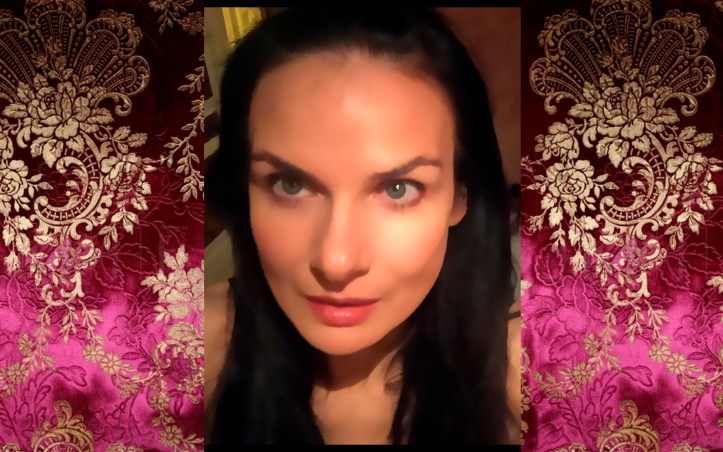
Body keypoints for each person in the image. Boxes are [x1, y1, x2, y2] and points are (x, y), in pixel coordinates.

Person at [204, 7, 520, 445]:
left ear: (459, 195)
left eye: (398, 189)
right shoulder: (174, 346)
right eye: (290, 185)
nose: (337, 262)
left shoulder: (533, 373)